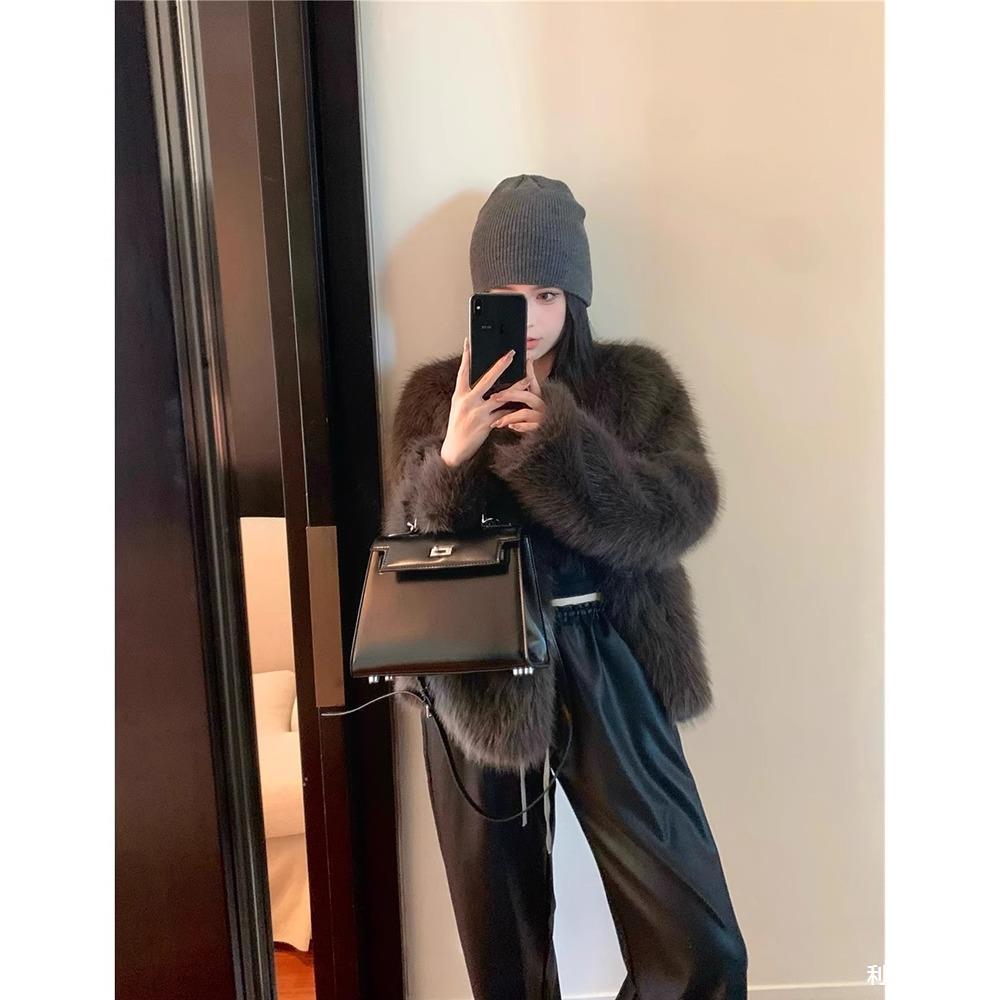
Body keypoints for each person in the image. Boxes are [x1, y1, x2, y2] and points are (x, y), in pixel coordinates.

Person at [383, 175, 748, 999]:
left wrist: (559, 442)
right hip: (475, 668)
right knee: (503, 950)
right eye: (508, 295)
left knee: (702, 947)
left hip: (608, 654)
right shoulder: (435, 399)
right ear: (481, 298)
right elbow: (409, 556)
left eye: (547, 293)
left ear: (575, 297)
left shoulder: (636, 385)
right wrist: (452, 457)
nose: (530, 315)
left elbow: (681, 510)